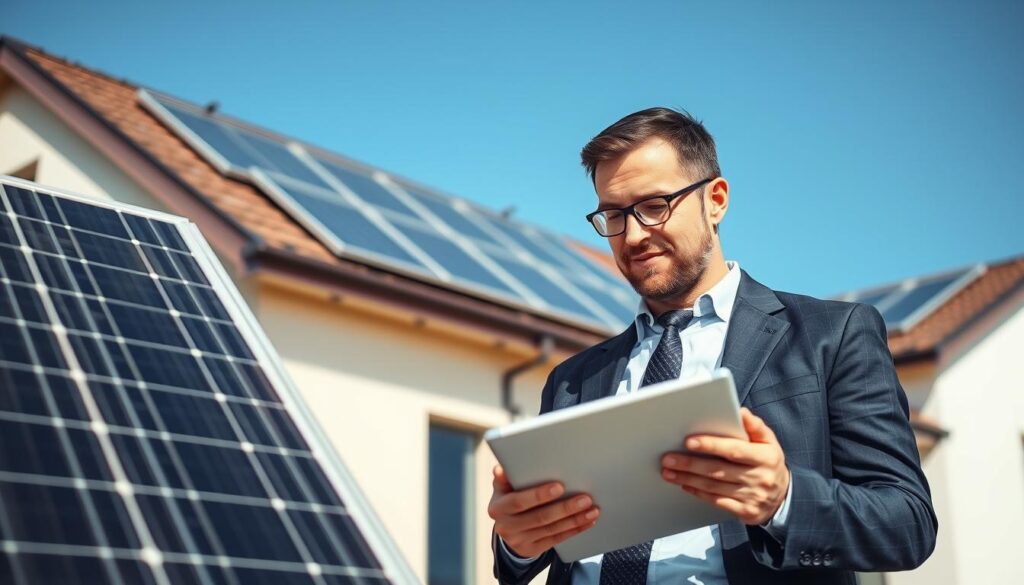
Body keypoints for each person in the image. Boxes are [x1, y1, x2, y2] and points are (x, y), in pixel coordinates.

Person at [488, 107, 937, 585]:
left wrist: (783, 499)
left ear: (716, 200)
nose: (633, 235)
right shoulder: (572, 379)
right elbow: (524, 558)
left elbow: (906, 524)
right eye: (614, 215)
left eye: (654, 205)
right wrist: (516, 543)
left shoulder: (832, 334)